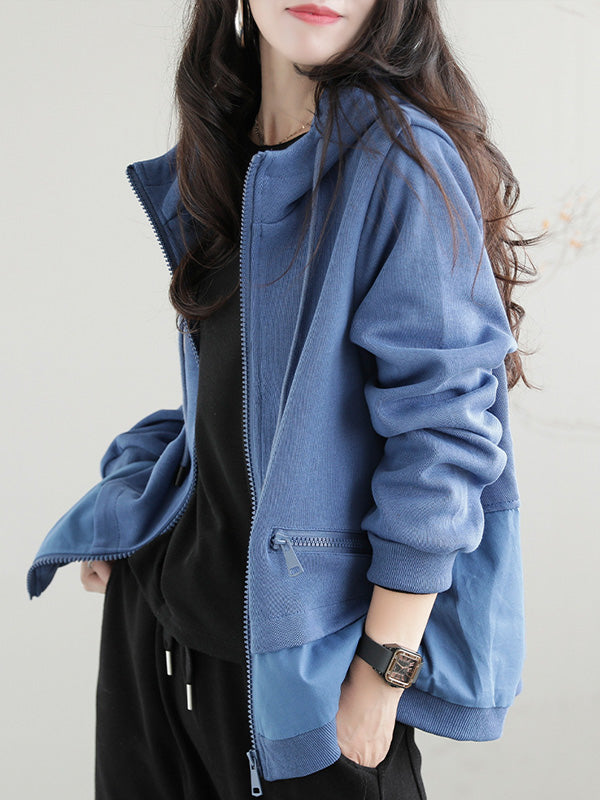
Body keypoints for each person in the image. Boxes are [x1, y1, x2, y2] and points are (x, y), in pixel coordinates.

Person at [27, 1, 541, 798]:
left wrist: (383, 671)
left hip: (307, 673)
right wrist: (135, 505)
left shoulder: (399, 162)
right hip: (159, 640)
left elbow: (445, 440)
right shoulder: (228, 154)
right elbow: (242, 410)